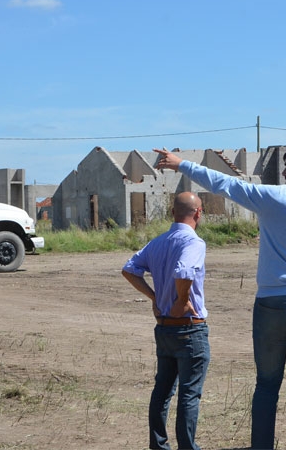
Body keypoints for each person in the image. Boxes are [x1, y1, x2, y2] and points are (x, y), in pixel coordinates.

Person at [154, 144, 286, 450]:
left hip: (274, 304)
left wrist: (181, 164)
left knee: (266, 385)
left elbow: (226, 184)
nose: (285, 173)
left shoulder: (278, 198)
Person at [121, 192, 210, 450]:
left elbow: (129, 270)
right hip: (190, 328)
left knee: (162, 392)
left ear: (173, 213)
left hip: (164, 328)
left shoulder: (158, 242)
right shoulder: (194, 242)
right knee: (189, 395)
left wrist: (155, 296)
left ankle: (159, 445)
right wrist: (181, 299)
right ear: (198, 213)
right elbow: (184, 271)